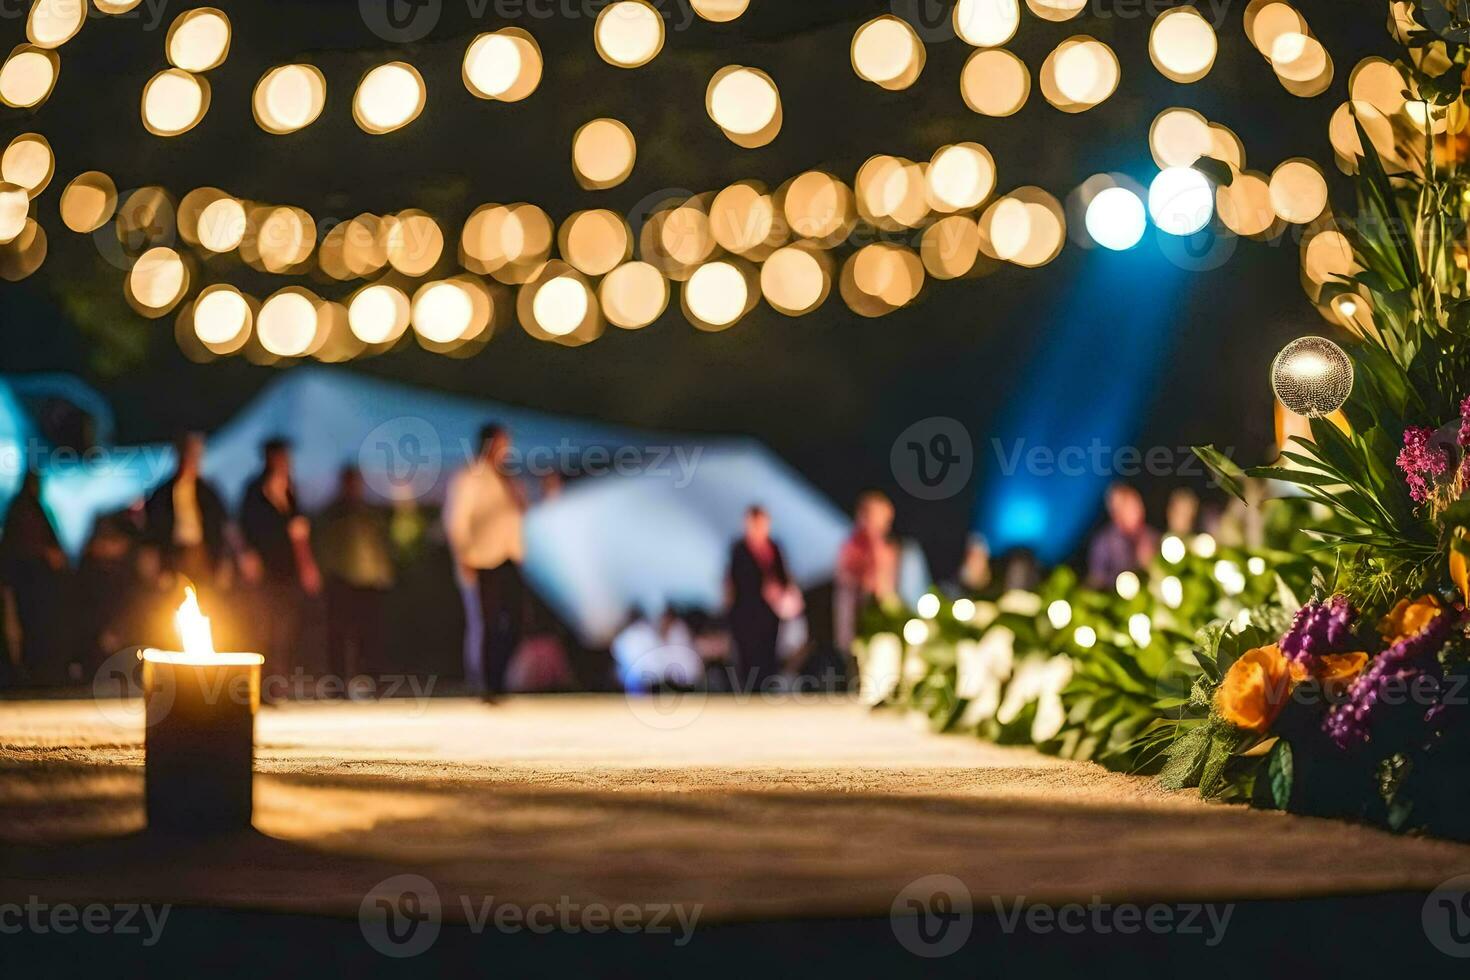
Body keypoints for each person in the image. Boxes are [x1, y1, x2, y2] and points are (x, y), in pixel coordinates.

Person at [444, 424, 527, 701]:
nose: (507, 449)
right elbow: (457, 520)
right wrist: (464, 556)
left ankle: (500, 678)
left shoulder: (509, 479)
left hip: (509, 557)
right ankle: (485, 683)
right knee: (486, 623)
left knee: (512, 620)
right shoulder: (470, 478)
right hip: (481, 559)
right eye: (503, 443)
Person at [240, 438, 322, 687]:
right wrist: (249, 556)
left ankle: (278, 681)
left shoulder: (289, 489)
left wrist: (308, 566)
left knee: (285, 627)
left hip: (286, 569)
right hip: (264, 569)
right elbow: (246, 527)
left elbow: (299, 530)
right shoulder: (255, 490)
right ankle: (261, 683)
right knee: (263, 626)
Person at [316, 466, 394, 693]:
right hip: (341, 580)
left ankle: (371, 681)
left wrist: (383, 572)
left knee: (369, 635)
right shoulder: (332, 514)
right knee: (338, 635)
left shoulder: (368, 513)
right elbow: (324, 546)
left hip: (367, 581)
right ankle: (338, 683)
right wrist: (325, 574)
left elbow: (380, 545)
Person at [0, 470, 69, 686]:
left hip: (31, 581)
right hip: (28, 582)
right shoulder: (25, 509)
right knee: (30, 627)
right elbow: (23, 545)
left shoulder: (29, 508)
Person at [726, 506, 800, 691]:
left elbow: (784, 575)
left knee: (769, 651)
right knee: (748, 653)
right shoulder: (739, 549)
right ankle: (749, 689)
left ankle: (767, 686)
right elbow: (735, 580)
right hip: (746, 612)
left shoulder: (774, 548)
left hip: (770, 612)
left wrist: (780, 591)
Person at [144, 432, 229, 590]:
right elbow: (153, 527)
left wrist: (222, 561)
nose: (193, 460)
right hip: (174, 553)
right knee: (174, 600)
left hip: (201, 553)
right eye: (190, 453)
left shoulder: (208, 491)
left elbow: (222, 525)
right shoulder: (163, 492)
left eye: (197, 454)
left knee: (206, 599)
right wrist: (155, 560)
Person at [834, 491, 900, 654]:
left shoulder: (888, 549)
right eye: (883, 517)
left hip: (880, 619)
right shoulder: (853, 545)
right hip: (855, 619)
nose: (886, 524)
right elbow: (846, 578)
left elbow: (888, 586)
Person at [1086, 483, 1161, 589]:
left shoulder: (1152, 537)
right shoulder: (1103, 543)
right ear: (1116, 512)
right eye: (1129, 507)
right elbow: (1097, 580)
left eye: (1137, 504)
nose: (1137, 510)